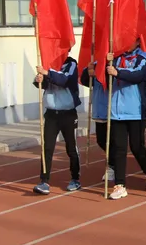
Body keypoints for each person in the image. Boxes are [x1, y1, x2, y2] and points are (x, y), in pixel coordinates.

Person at [105, 41, 146, 199]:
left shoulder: (144, 58)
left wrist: (117, 72)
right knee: (119, 148)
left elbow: (138, 75)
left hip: (135, 110)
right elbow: (103, 76)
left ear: (135, 40)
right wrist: (104, 62)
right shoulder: (115, 57)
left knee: (136, 147)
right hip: (117, 110)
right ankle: (119, 185)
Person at [33, 56, 82, 195]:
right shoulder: (48, 62)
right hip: (51, 114)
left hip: (68, 114)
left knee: (71, 148)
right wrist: (39, 80)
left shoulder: (71, 64)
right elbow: (44, 84)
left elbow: (64, 80)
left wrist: (47, 73)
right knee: (47, 148)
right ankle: (44, 181)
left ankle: (75, 179)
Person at [80, 60, 113, 181]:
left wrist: (100, 72)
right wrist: (87, 71)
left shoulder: (114, 63)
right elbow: (85, 81)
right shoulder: (95, 62)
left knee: (112, 142)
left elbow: (113, 80)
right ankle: (113, 163)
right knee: (101, 140)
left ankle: (112, 166)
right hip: (99, 110)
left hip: (112, 110)